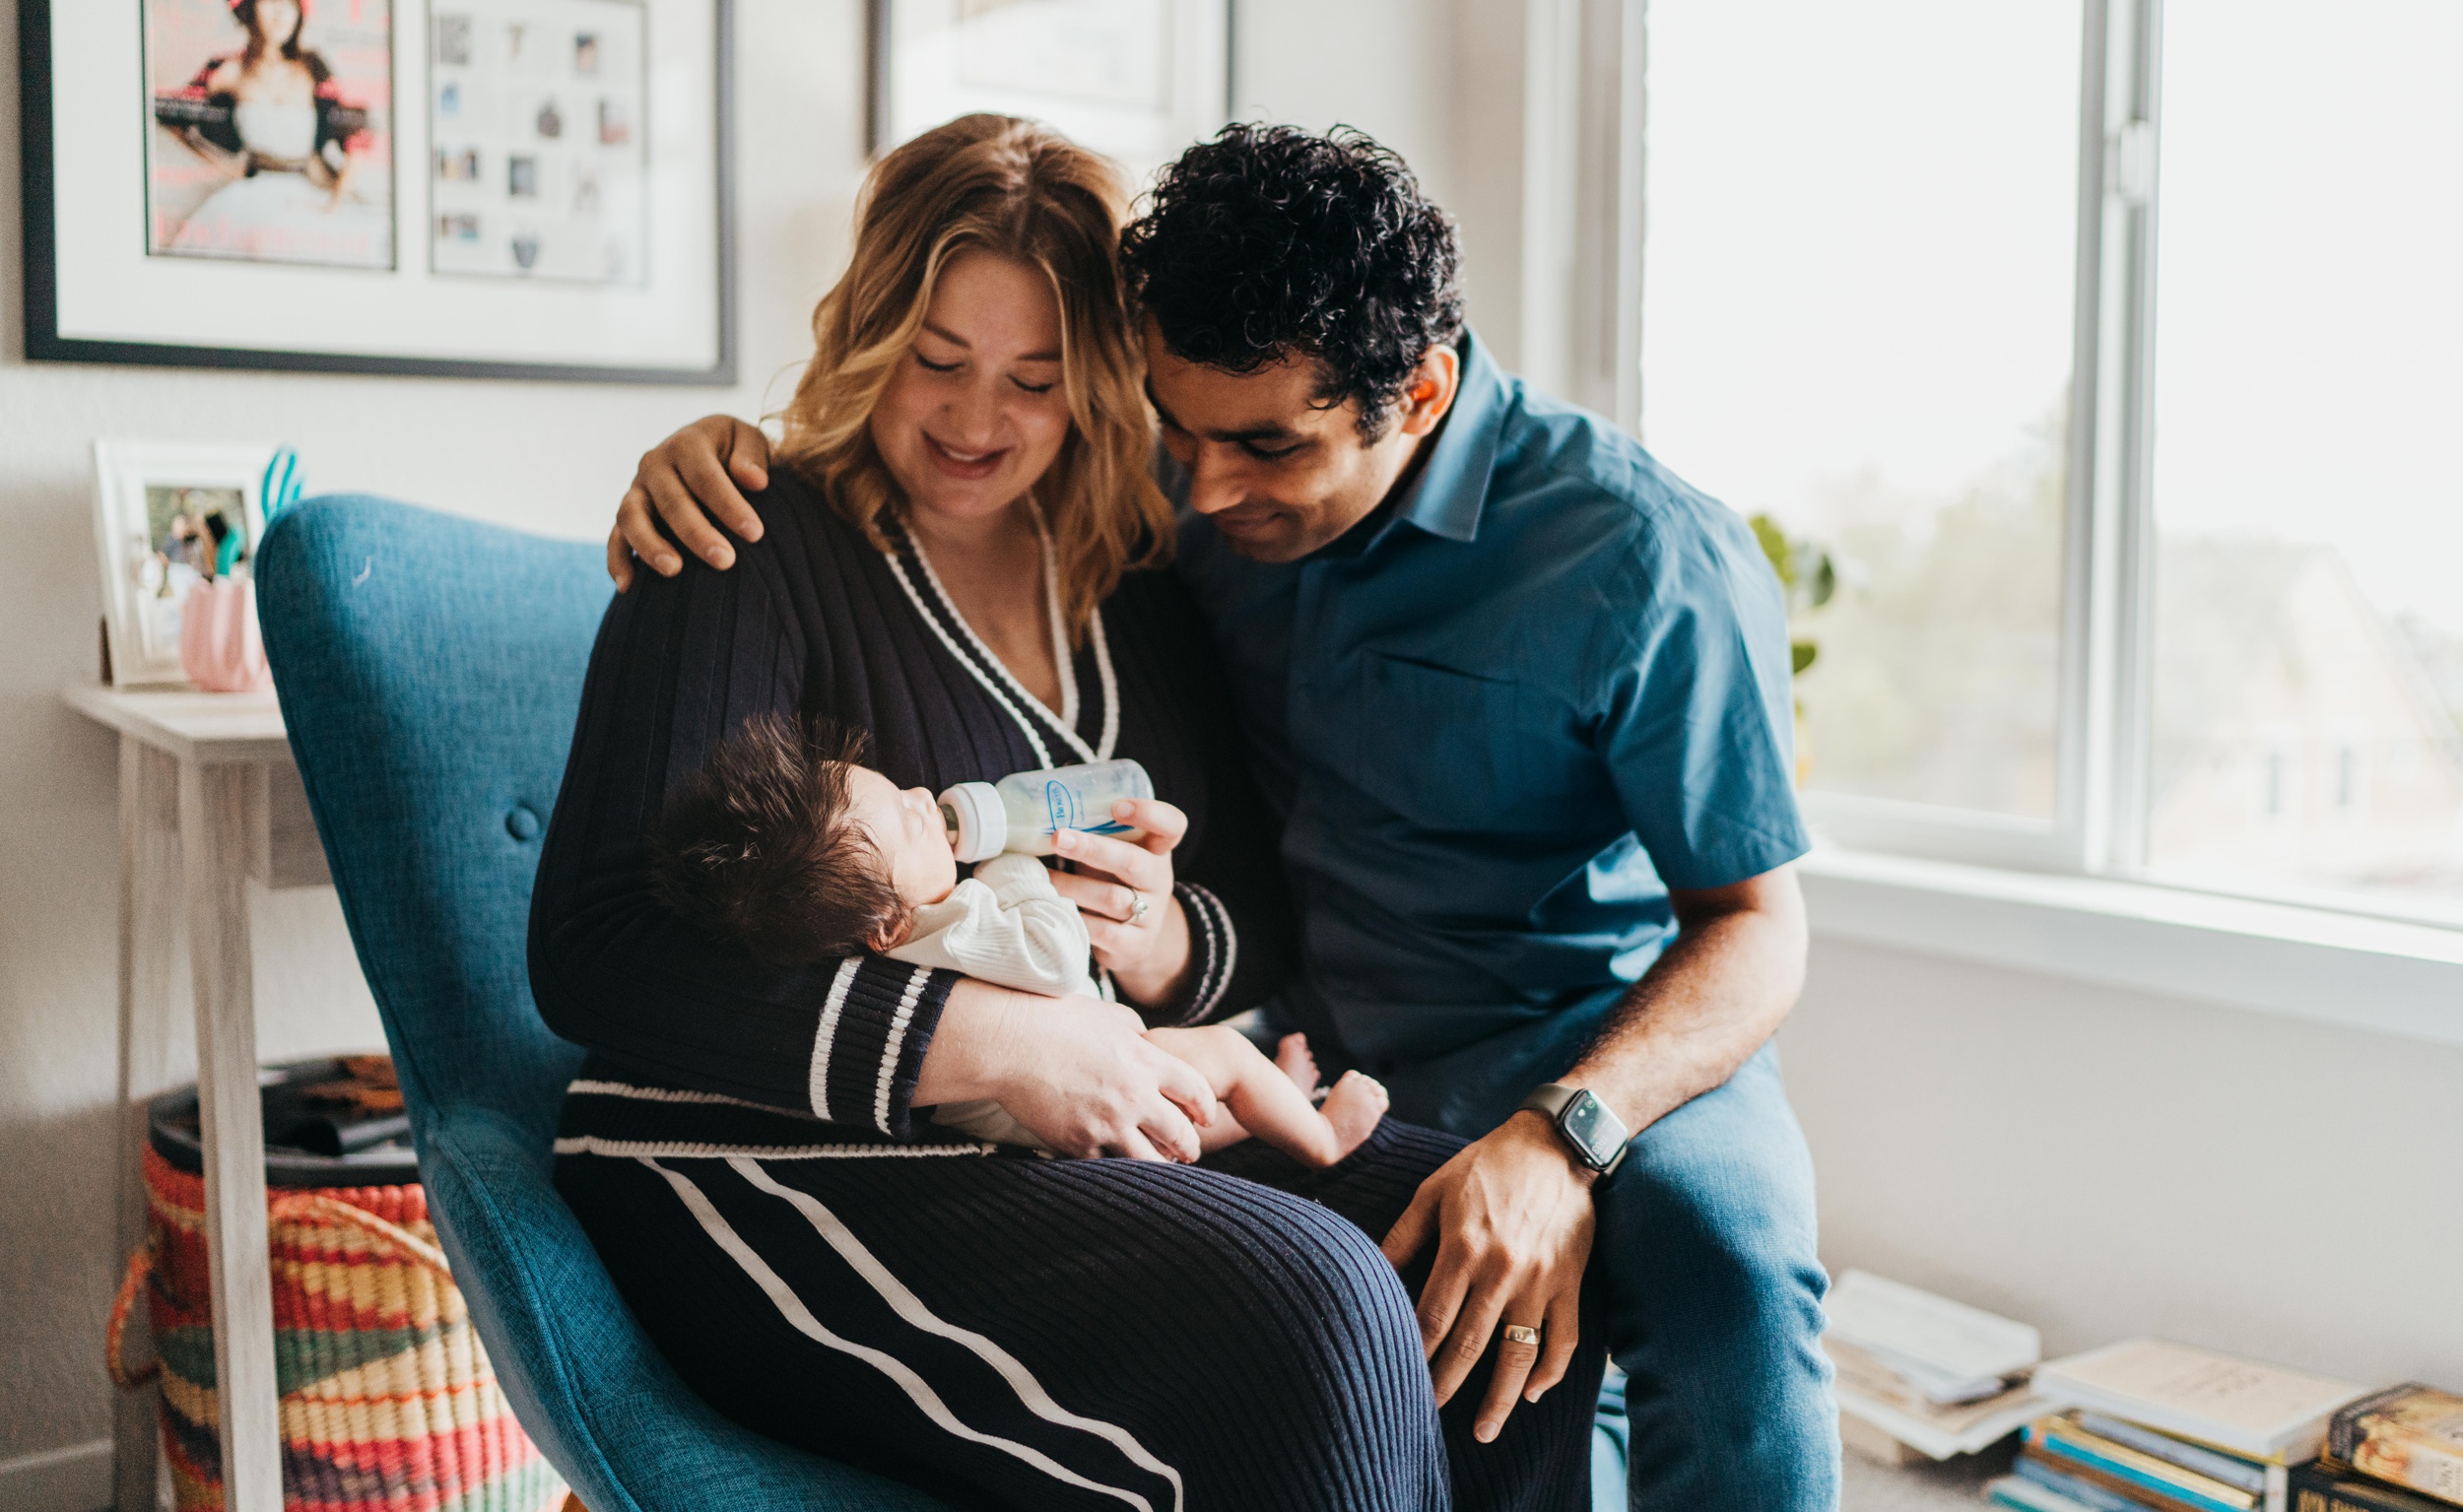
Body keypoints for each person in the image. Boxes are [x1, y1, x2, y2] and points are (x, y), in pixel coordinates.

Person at [616, 123, 1839, 1511]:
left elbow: (1756, 924)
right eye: (1172, 429)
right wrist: (712, 445)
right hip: (1329, 1035)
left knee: (1723, 1263)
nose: (1201, 491)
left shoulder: (1640, 555)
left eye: (1266, 446)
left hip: (1598, 1031)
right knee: (1433, 1333)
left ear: (1421, 392)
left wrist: (1566, 1131)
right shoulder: (1159, 503)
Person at [646, 710, 1390, 1161]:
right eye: (909, 819)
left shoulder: (901, 932)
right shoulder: (954, 926)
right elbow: (1057, 956)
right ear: (886, 924)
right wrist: (1012, 861)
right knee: (1221, 1054)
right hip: (1053, 1118)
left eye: (895, 785)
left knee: (1187, 1095)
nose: (918, 794)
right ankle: (1320, 1138)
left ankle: (1264, 1111)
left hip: (1049, 1120)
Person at [155, 0, 385, 263]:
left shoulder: (312, 68)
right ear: (249, 6)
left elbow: (355, 135)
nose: (281, 14)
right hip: (253, 196)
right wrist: (224, 165)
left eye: (290, 2)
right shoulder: (228, 70)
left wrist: (335, 202)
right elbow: (171, 112)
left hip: (309, 188)